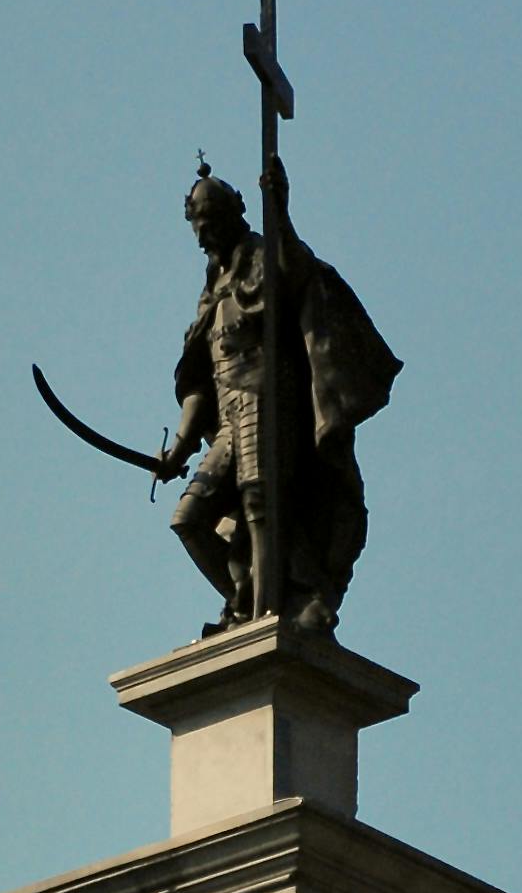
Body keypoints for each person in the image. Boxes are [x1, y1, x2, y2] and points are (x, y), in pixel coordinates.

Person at [158, 155, 400, 635]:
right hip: (229, 418)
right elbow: (201, 384)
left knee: (259, 505)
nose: (203, 237)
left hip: (269, 403)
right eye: (197, 229)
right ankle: (244, 598)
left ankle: (268, 613)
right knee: (189, 519)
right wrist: (180, 448)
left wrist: (281, 209)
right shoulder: (212, 293)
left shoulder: (265, 261)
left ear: (233, 217)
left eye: (210, 224)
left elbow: (297, 274)